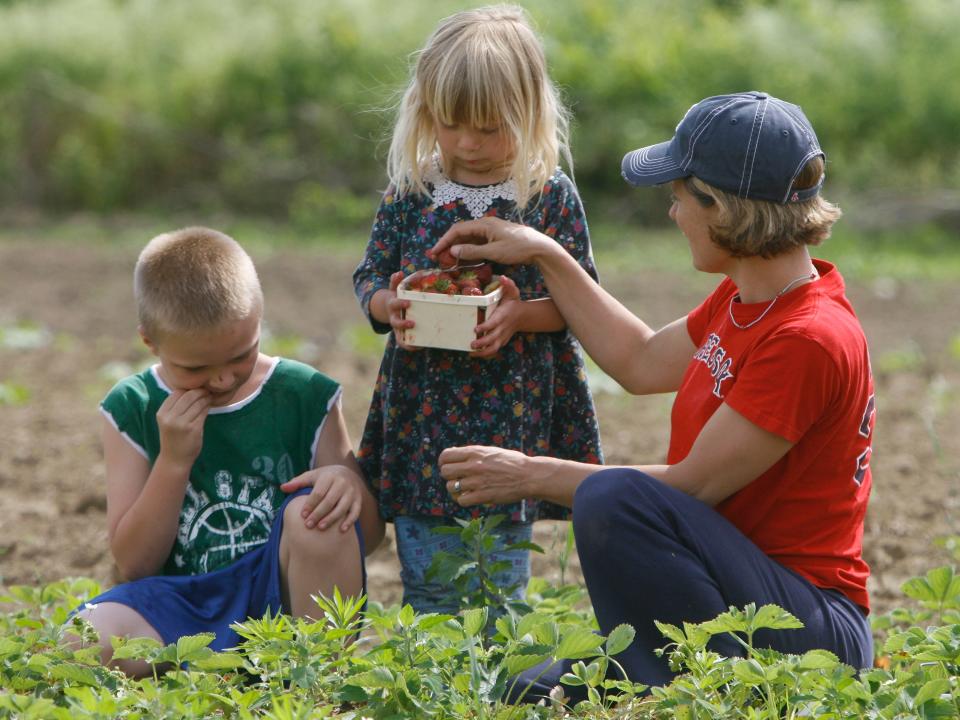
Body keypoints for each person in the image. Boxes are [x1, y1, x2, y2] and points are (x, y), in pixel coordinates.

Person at [430, 91, 875, 693]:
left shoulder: (808, 338)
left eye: (679, 196)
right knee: (523, 690)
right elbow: (637, 362)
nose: (673, 214)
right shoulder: (746, 300)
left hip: (808, 628)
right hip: (731, 592)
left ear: (721, 207)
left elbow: (692, 485)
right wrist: (545, 252)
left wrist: (527, 474)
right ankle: (652, 682)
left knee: (615, 499)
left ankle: (661, 690)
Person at [352, 4, 602, 614]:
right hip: (422, 408)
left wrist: (520, 315)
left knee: (498, 575)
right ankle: (438, 671)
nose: (468, 143)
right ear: (426, 114)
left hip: (509, 409)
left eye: (490, 128)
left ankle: (496, 678)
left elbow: (578, 300)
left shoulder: (546, 196)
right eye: (451, 124)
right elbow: (368, 277)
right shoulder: (413, 191)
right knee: (429, 568)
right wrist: (393, 305)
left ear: (530, 115)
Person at [71, 227, 384, 676]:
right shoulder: (133, 407)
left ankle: (315, 678)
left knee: (316, 514)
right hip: (181, 604)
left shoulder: (302, 395)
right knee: (78, 643)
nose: (221, 379)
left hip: (283, 600)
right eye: (195, 368)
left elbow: (368, 538)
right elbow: (135, 564)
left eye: (241, 355)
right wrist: (173, 461)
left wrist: (347, 485)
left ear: (259, 319)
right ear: (150, 343)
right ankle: (219, 670)